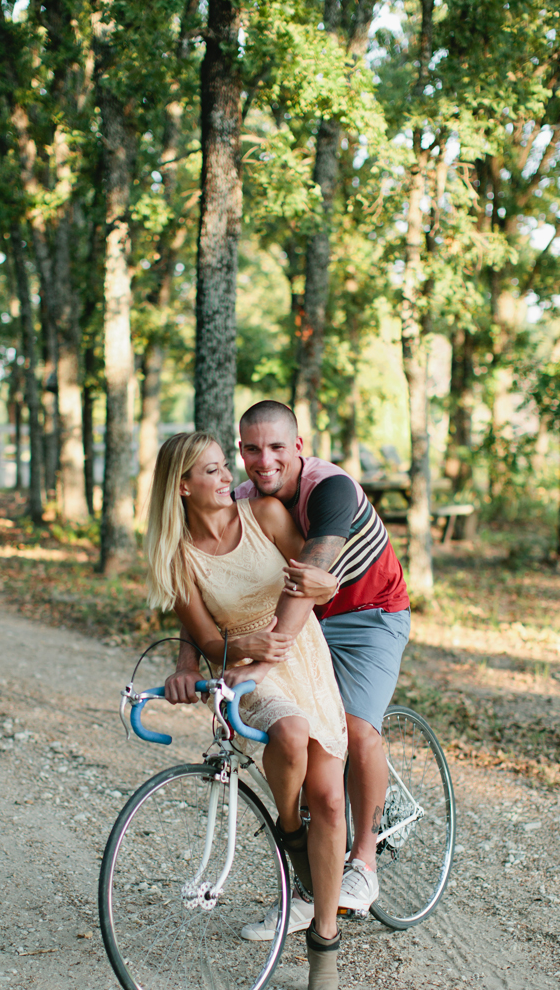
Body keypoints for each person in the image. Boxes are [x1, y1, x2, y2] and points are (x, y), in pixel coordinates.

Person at [166, 401, 411, 937]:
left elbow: (308, 578)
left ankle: (363, 863)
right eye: (250, 449)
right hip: (303, 623)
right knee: (306, 744)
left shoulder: (331, 489)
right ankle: (308, 884)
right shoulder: (245, 498)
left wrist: (256, 660)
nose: (262, 460)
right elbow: (216, 587)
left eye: (276, 447)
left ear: (298, 447)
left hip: (368, 615)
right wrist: (190, 657)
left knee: (355, 728)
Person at [144, 431, 348, 990]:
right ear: (183, 487)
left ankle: (324, 940)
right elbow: (209, 641)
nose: (226, 477)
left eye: (221, 466)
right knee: (290, 731)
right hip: (246, 671)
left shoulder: (265, 514)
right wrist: (248, 652)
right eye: (210, 471)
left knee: (331, 800)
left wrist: (277, 639)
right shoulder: (177, 556)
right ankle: (289, 827)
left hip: (302, 653)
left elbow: (309, 588)